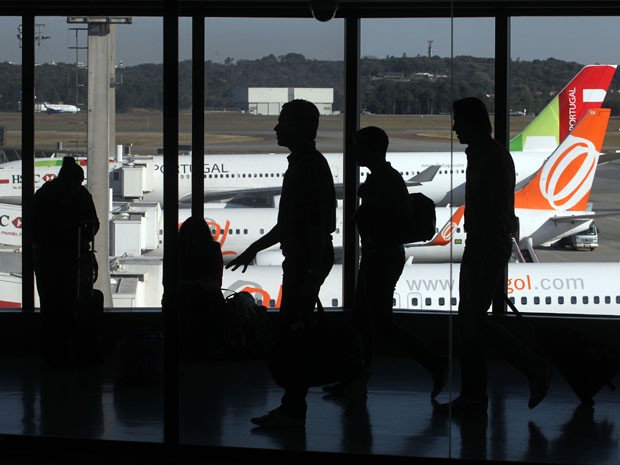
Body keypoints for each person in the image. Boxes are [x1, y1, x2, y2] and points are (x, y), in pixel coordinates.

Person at [433, 97, 551, 415]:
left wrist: (489, 247)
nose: (455, 127)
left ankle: (531, 367)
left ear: (473, 122)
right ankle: (476, 395)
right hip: (483, 244)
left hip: (485, 245)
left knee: (472, 322)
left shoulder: (489, 157)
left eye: (458, 120)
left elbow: (495, 210)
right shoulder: (485, 154)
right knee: (471, 323)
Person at [226, 99, 337, 429]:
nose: (276, 128)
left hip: (305, 261)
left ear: (301, 128)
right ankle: (293, 406)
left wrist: (312, 278)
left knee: (295, 335)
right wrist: (253, 249)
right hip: (303, 260)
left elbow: (318, 225)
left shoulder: (309, 167)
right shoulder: (303, 164)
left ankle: (294, 409)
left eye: (283, 122)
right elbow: (290, 224)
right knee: (293, 335)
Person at [322, 126, 447, 400]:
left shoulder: (385, 181)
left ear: (371, 150)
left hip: (382, 257)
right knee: (365, 322)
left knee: (376, 321)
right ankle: (356, 379)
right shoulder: (383, 178)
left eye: (358, 147)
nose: (354, 152)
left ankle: (433, 363)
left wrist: (370, 206)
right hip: (379, 256)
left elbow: (395, 219)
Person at [32, 156, 100, 367]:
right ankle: (61, 350)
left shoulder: (49, 195)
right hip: (59, 259)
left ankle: (58, 352)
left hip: (60, 260)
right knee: (60, 305)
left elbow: (93, 225)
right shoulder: (74, 196)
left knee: (56, 306)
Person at [177, 215, 226, 359]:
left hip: (189, 299)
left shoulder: (178, 251)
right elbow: (217, 282)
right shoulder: (212, 249)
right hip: (205, 299)